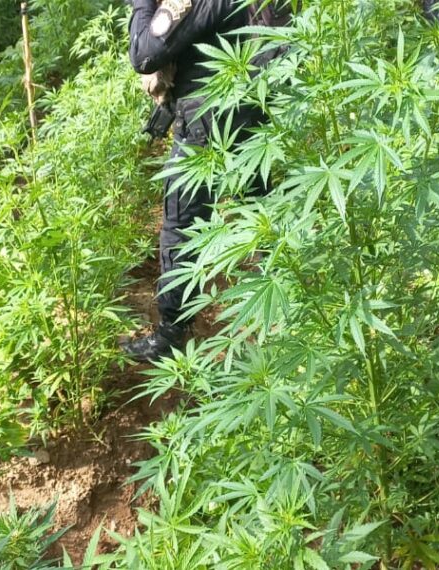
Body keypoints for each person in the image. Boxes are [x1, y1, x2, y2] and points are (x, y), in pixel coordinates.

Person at [122, 0, 284, 362]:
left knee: (181, 227)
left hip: (210, 121)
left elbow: (144, 54)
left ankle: (171, 333)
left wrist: (142, 5)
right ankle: (289, 309)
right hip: (251, 108)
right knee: (260, 213)